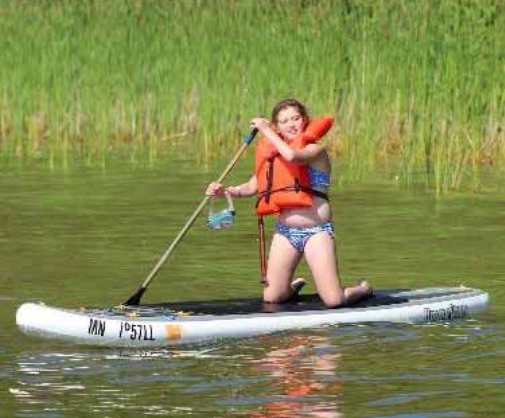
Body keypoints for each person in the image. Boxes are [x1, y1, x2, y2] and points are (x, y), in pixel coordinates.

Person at [206, 99, 371, 308]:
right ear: (278, 127)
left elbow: (293, 156)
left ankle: (362, 289)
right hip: (285, 233)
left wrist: (267, 131)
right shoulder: (273, 157)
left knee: (334, 300)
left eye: (296, 118)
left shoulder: (314, 151)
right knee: (271, 297)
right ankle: (290, 289)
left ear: (305, 120)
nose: (291, 124)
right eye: (284, 121)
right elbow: (251, 186)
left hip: (316, 232)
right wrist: (225, 191)